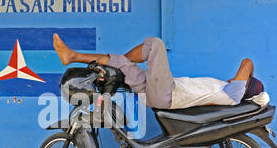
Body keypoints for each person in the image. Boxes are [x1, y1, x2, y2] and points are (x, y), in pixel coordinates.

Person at [53, 34, 264, 110]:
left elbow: (247, 62)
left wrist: (249, 78)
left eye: (242, 81)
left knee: (155, 44)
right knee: (124, 67)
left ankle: (111, 61)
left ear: (244, 86)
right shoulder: (228, 91)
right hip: (159, 93)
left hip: (167, 93)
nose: (235, 78)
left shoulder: (234, 95)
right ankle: (72, 56)